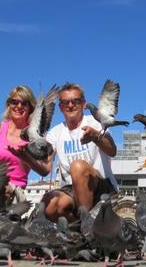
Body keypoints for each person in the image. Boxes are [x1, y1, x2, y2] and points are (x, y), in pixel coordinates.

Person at [41, 82, 118, 221]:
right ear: (60, 107)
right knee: (50, 203)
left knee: (77, 167)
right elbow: (45, 168)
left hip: (101, 188)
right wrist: (24, 155)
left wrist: (96, 137)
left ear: (83, 104)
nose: (70, 105)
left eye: (75, 101)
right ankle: (76, 227)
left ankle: (85, 224)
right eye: (65, 102)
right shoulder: (55, 132)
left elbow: (112, 150)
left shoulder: (95, 122)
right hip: (72, 191)